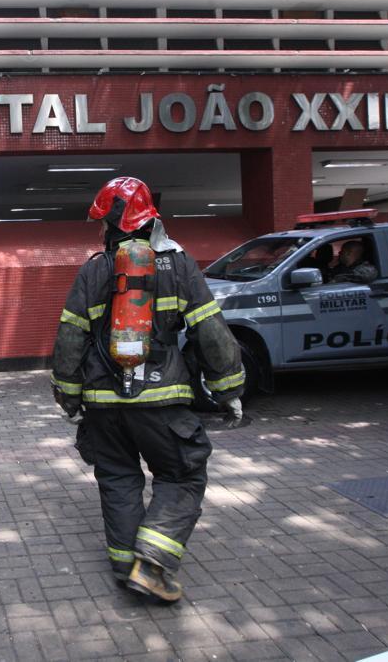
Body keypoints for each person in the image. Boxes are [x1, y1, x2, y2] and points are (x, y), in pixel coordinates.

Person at [50, 177, 245, 604]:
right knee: (182, 474)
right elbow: (210, 331)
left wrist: (69, 398)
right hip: (162, 403)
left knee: (117, 478)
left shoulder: (94, 269)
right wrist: (229, 387)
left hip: (103, 404)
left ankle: (125, 567)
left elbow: (70, 338)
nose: (99, 231)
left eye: (102, 223)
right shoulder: (178, 266)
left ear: (114, 224)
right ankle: (151, 563)